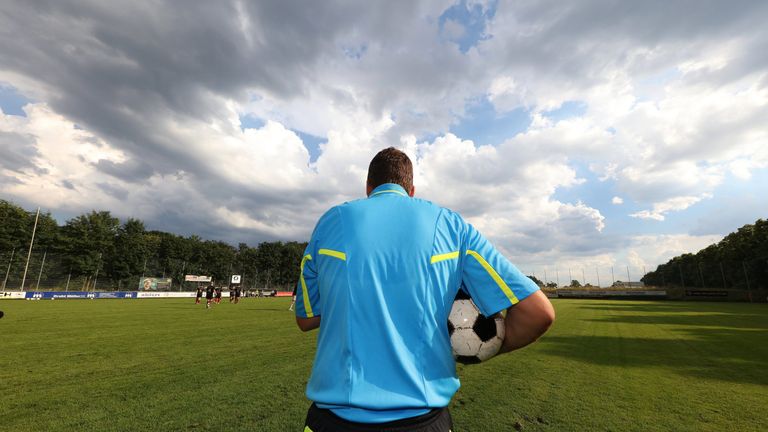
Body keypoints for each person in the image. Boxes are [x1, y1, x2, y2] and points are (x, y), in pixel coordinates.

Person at [295, 147, 555, 431]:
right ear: (411, 189)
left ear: (368, 188)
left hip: (331, 421)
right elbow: (537, 312)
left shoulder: (331, 221)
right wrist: (477, 347)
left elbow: (306, 318)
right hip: (423, 421)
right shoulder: (451, 226)